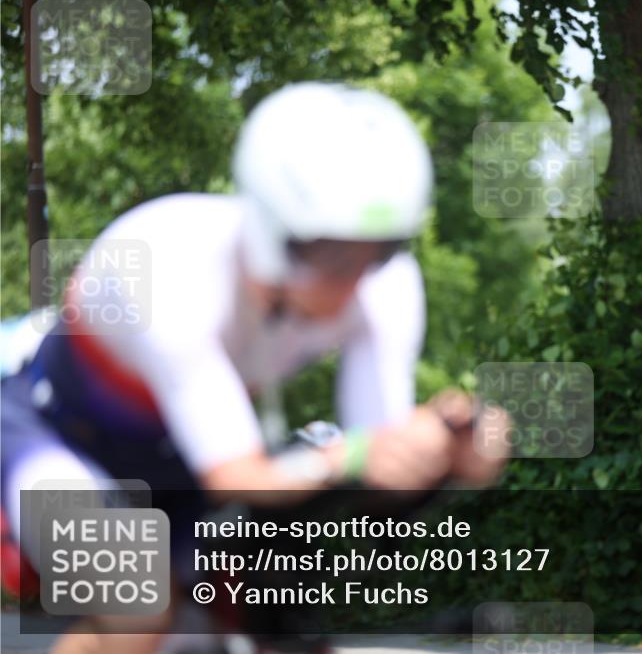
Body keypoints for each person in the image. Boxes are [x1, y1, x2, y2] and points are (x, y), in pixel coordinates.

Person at [0, 82, 508, 654]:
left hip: (171, 460)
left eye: (380, 251)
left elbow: (377, 465)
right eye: (334, 255)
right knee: (137, 604)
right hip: (48, 432)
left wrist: (444, 455)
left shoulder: (385, 287)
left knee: (243, 621)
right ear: (272, 231)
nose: (353, 281)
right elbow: (239, 475)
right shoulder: (170, 268)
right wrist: (357, 454)